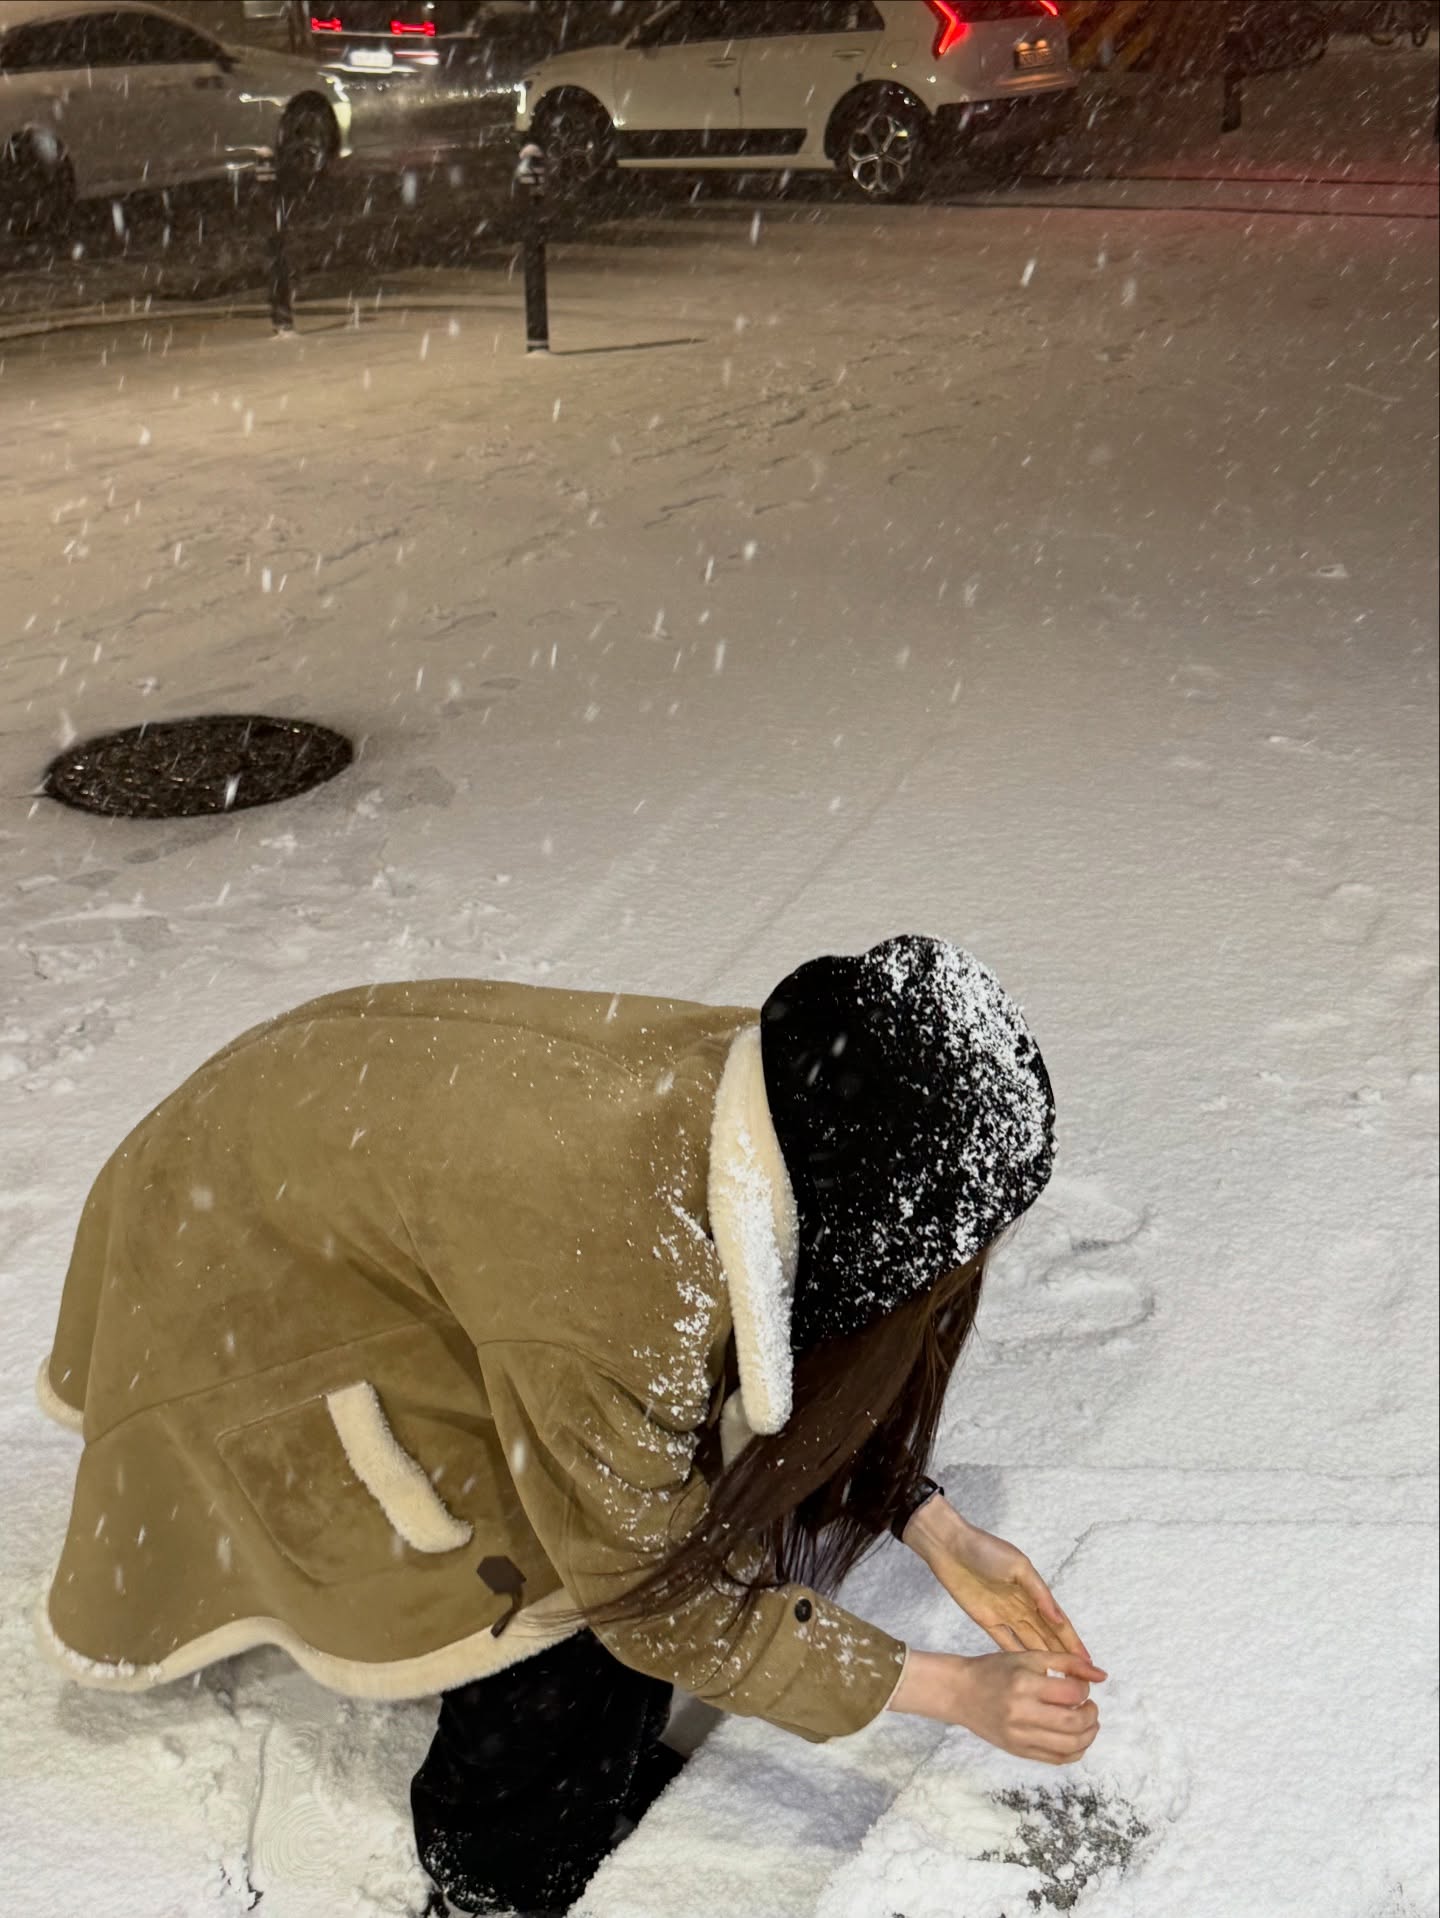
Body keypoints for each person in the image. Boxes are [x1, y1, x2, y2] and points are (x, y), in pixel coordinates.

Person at [36, 933, 1106, 1917]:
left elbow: (782, 1342)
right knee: (550, 1594)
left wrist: (929, 1523)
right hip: (234, 1259)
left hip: (303, 1134)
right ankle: (497, 1869)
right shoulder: (624, 1270)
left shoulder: (801, 1106)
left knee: (620, 1506)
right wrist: (954, 1690)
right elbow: (652, 1598)